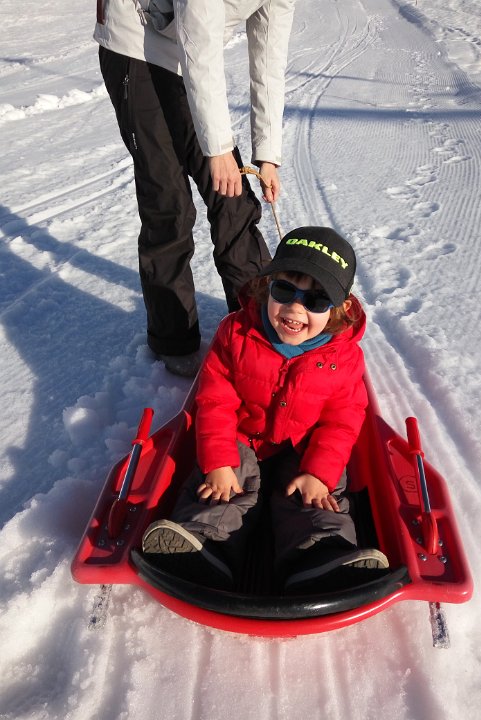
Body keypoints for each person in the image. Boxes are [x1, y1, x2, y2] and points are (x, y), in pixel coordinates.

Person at [142, 226, 389, 592]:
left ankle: (321, 556)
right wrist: (218, 461)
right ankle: (205, 546)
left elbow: (343, 419)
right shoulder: (237, 334)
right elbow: (215, 400)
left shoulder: (344, 358)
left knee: (320, 495)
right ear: (266, 286)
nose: (295, 308)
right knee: (222, 485)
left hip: (303, 444)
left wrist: (319, 472)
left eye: (316, 300)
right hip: (243, 437)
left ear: (340, 309)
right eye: (285, 290)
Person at [94, 1, 296, 375]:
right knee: (167, 200)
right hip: (136, 42)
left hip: (188, 49)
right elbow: (198, 37)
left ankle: (255, 323)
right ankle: (173, 339)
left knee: (232, 200)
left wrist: (268, 154)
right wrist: (217, 150)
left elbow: (269, 59)